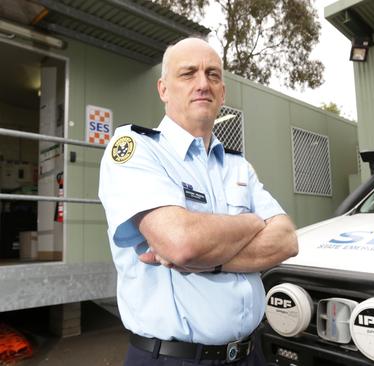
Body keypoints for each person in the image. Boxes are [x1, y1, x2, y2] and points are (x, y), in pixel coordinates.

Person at [98, 37, 299, 366]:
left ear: (223, 93)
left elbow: (287, 240)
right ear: (163, 89)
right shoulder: (136, 149)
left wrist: (214, 261)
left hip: (251, 354)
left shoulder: (238, 166)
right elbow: (181, 244)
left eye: (213, 75)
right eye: (188, 74)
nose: (203, 84)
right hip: (172, 358)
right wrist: (252, 223)